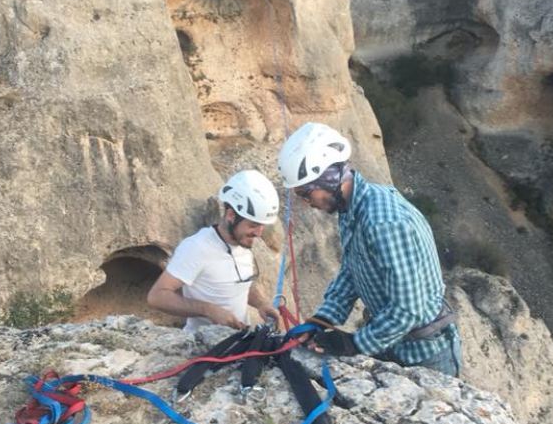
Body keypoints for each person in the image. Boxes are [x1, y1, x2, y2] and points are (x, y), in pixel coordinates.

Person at [277, 122, 460, 376]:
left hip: (424, 352)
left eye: (307, 193)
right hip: (393, 339)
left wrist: (354, 344)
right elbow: (353, 270)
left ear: (328, 178)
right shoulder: (351, 209)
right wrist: (322, 320)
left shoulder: (383, 222)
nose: (307, 203)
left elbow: (408, 309)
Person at [147, 170, 281, 332]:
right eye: (253, 225)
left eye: (262, 226)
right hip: (205, 346)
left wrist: (261, 303)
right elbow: (157, 296)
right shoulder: (197, 247)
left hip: (238, 341)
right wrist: (209, 310)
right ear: (231, 215)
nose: (259, 233)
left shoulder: (243, 243)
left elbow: (238, 285)